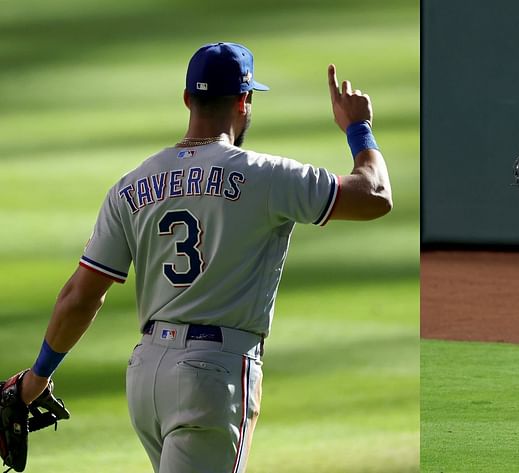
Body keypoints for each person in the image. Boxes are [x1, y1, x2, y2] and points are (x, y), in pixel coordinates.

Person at [9, 42, 392, 472]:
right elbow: (375, 195)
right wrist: (358, 127)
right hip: (212, 377)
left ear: (188, 98)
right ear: (244, 101)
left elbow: (80, 296)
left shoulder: (131, 185)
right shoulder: (266, 175)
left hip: (145, 378)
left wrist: (36, 377)